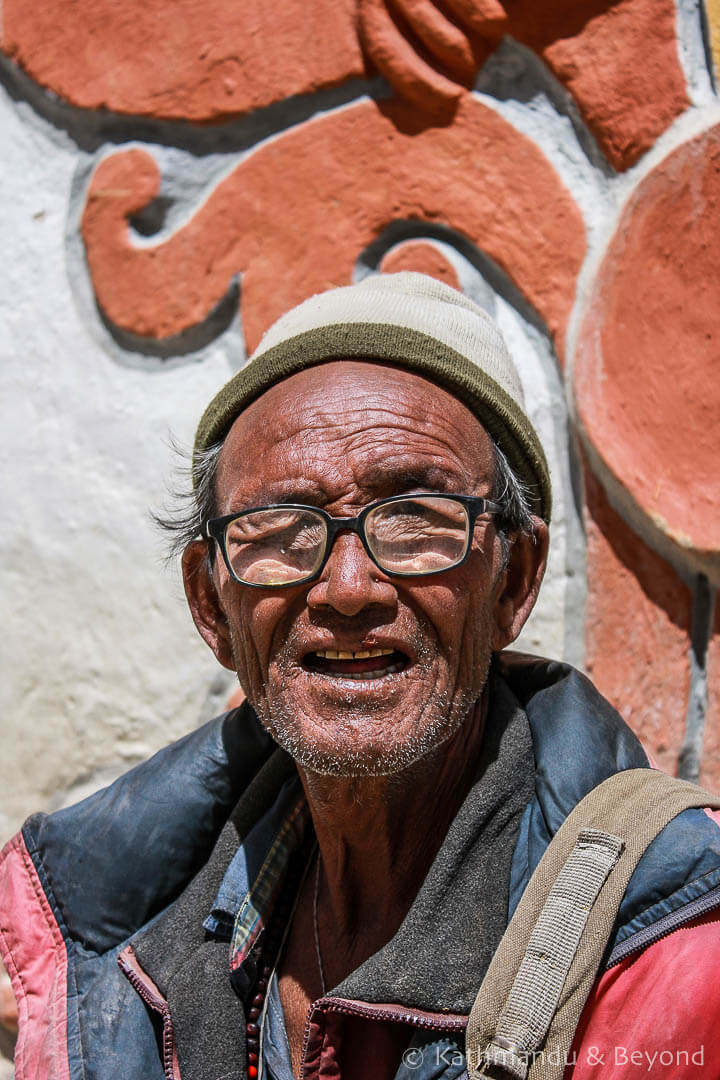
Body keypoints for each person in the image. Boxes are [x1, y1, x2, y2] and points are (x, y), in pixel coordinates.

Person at [1, 272, 719, 1080]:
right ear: (212, 604)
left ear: (512, 582)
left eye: (415, 517)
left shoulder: (678, 945)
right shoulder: (123, 943)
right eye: (281, 527)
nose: (347, 589)